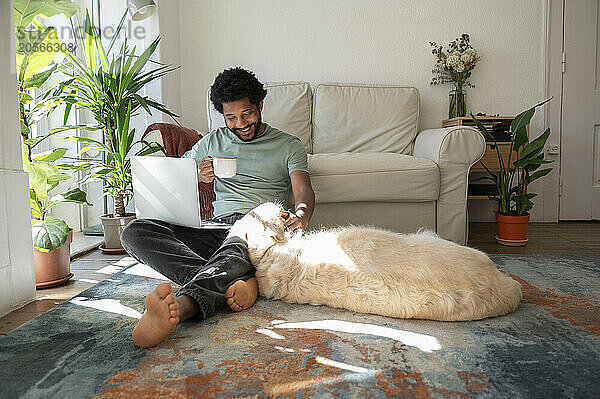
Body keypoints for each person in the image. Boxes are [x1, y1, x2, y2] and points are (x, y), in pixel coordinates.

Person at [121, 67, 315, 348]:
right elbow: (175, 175)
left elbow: (303, 189)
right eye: (231, 118)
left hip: (261, 224)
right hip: (219, 226)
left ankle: (183, 305)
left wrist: (301, 214)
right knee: (135, 232)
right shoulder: (212, 141)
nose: (240, 124)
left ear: (260, 105)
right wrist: (195, 176)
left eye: (247, 114)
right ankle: (242, 278)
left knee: (237, 242)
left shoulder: (288, 145)